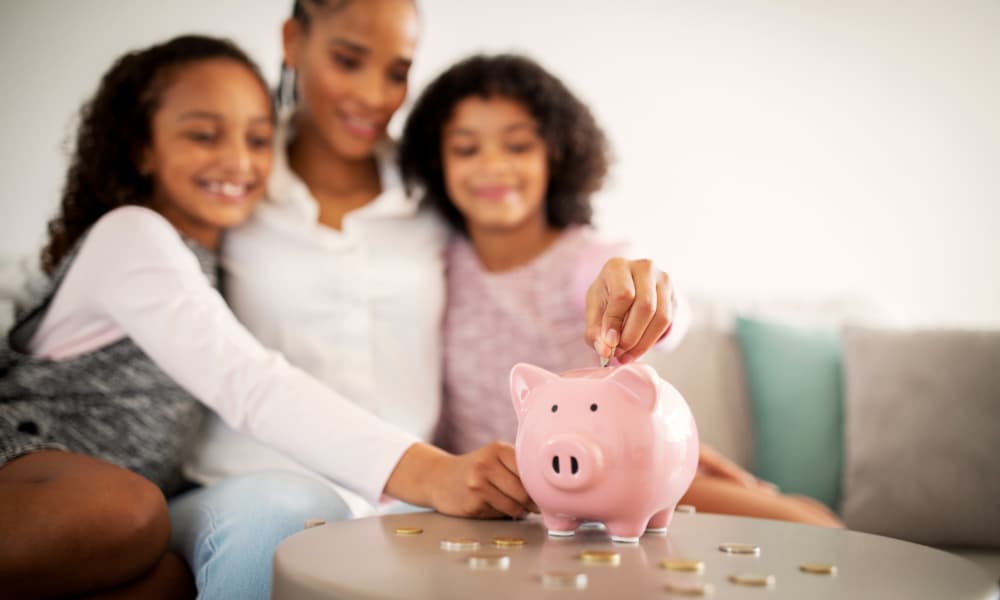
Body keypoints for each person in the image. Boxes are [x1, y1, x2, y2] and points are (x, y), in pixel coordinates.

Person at [0, 34, 536, 600]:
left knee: (184, 567)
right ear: (141, 148)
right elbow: (250, 382)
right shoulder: (132, 234)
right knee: (129, 514)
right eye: (203, 135)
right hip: (31, 471)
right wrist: (435, 473)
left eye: (259, 140)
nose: (236, 161)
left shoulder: (215, 252)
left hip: (142, 507)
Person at [189, 0, 678, 516]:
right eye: (348, 61)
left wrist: (648, 302)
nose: (373, 95)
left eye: (397, 73)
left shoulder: (432, 199)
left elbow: (575, 269)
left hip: (417, 500)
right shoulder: (232, 182)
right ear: (293, 42)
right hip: (257, 484)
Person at [398, 53, 844, 528]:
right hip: (490, 492)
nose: (492, 165)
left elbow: (667, 317)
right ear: (436, 162)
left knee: (811, 523)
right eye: (466, 150)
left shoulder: (587, 259)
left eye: (518, 146)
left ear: (557, 153)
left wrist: (651, 296)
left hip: (621, 480)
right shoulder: (428, 263)